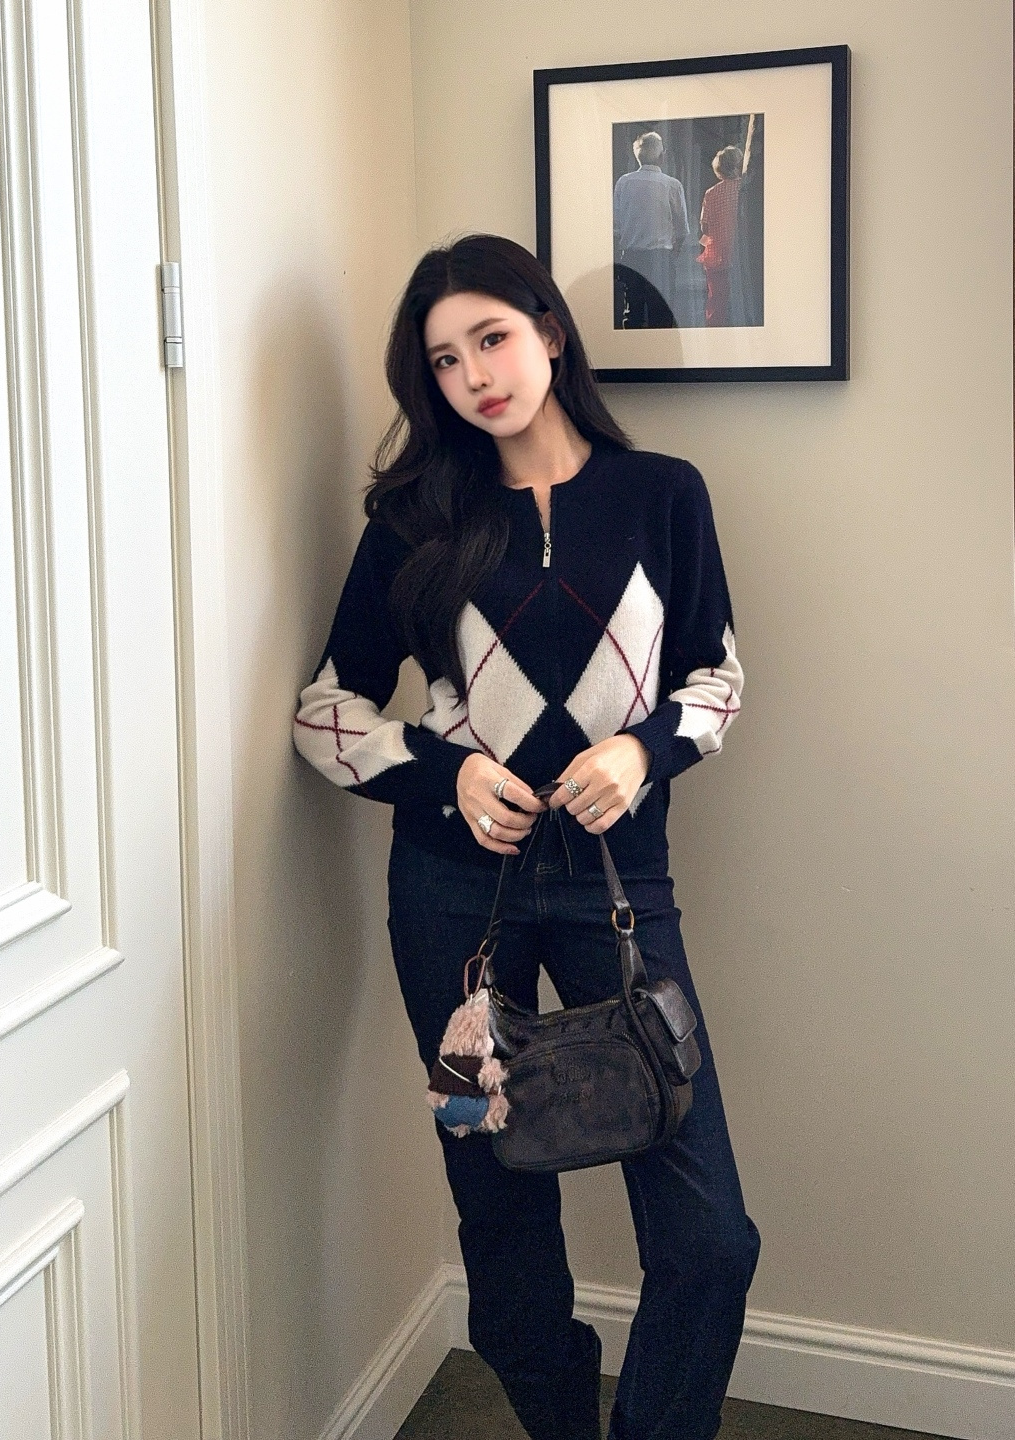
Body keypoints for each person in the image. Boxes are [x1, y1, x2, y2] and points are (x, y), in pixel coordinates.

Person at [292, 233, 761, 1440]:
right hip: (449, 914)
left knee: (709, 1235)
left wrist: (640, 751)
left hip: (621, 895)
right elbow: (325, 713)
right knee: (498, 1229)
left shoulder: (662, 495)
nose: (474, 377)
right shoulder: (413, 520)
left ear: (550, 331)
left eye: (491, 339)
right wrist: (447, 773)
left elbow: (715, 679)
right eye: (445, 362)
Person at [612, 131, 689, 327]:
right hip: (661, 257)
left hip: (631, 257)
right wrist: (674, 252)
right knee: (661, 313)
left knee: (633, 313)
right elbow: (682, 229)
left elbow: (616, 226)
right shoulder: (672, 185)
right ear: (662, 157)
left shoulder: (623, 183)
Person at [697, 146, 745, 327]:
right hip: (740, 252)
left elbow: (704, 226)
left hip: (717, 253)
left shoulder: (711, 193)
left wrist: (705, 242)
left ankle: (715, 330)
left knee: (717, 299)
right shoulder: (744, 188)